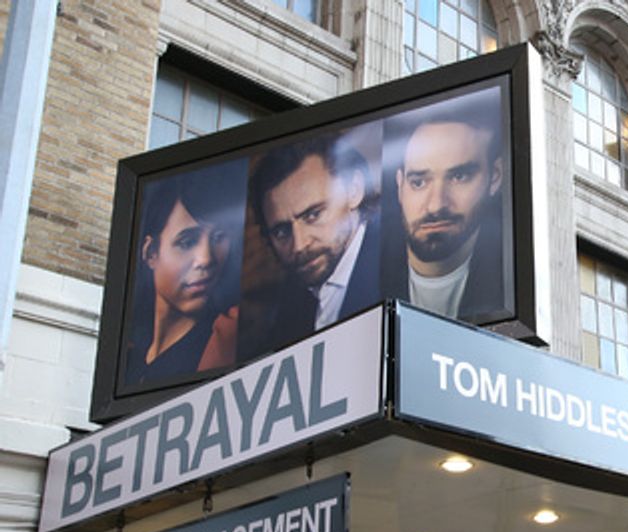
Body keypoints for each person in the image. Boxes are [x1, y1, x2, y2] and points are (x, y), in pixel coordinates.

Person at [386, 88, 509, 320]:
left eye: (458, 177)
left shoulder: (510, 279)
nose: (435, 205)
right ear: (400, 185)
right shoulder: (370, 283)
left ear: (495, 177)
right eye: (419, 182)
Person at [248, 132, 380, 347]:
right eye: (282, 232)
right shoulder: (288, 304)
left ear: (354, 190)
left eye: (313, 215)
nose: (299, 245)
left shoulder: (397, 266)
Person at [125, 161, 244, 386]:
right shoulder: (130, 356)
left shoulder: (223, 343)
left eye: (219, 238)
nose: (206, 259)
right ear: (151, 253)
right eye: (187, 241)